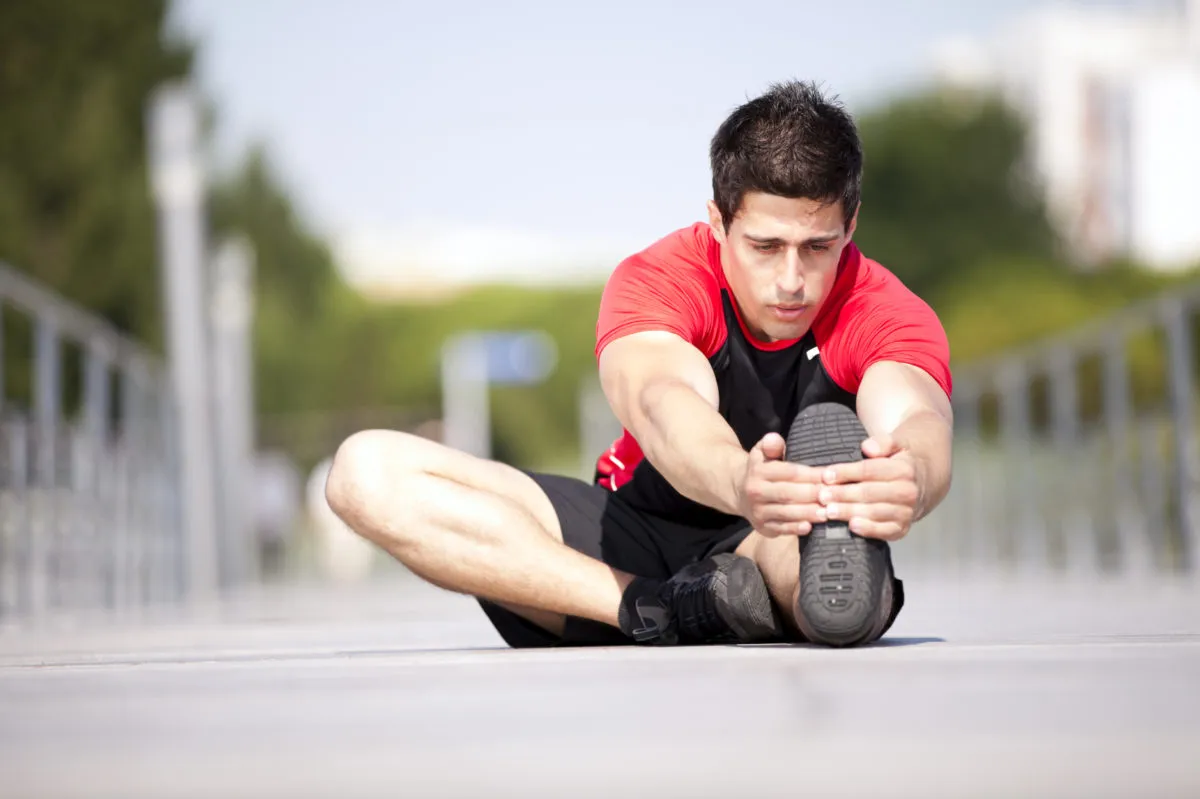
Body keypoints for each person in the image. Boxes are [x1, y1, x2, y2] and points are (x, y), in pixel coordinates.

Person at [325, 80, 954, 649]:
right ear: (717, 221)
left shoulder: (879, 305)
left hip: (768, 538)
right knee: (364, 471)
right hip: (622, 536)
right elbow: (664, 401)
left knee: (808, 562)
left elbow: (916, 409)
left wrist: (914, 475)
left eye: (818, 248)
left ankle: (808, 601)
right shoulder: (659, 280)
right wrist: (739, 478)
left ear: (851, 225)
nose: (791, 280)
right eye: (765, 247)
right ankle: (654, 607)